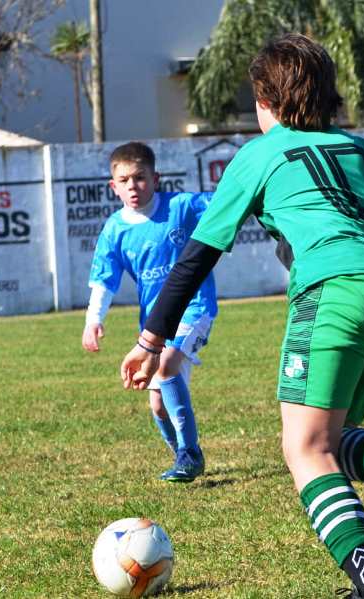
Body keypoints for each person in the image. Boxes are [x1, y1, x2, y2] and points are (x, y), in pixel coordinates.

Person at [121, 34, 364, 598]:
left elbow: (197, 255)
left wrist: (150, 340)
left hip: (332, 292)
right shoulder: (357, 149)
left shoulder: (258, 154)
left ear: (264, 103)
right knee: (330, 435)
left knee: (305, 449)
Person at [83, 141, 216, 483]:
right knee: (157, 406)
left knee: (169, 363)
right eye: (124, 180)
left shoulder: (182, 207)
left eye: (140, 178)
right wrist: (93, 320)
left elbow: (229, 205)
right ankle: (181, 457)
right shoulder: (115, 229)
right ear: (113, 187)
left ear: (155, 178)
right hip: (153, 326)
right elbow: (104, 278)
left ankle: (190, 454)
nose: (133, 186)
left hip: (196, 308)